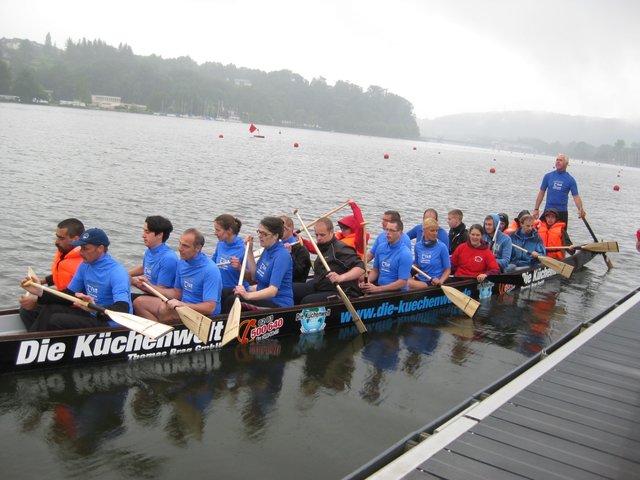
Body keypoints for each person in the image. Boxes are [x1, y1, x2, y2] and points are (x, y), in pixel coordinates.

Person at [21, 228, 132, 331]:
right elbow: (69, 294)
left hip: (110, 322)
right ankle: (32, 342)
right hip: (91, 312)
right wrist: (40, 291)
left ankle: (35, 344)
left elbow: (123, 309)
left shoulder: (117, 272)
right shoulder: (85, 265)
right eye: (80, 248)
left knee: (56, 320)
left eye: (85, 249)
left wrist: (95, 309)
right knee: (50, 309)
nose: (81, 253)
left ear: (100, 249)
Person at [134, 228, 222, 321]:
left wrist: (183, 305)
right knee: (139, 302)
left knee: (165, 310)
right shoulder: (181, 263)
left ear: (198, 248)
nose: (180, 249)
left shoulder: (210, 270)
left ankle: (161, 331)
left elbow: (210, 307)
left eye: (185, 246)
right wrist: (150, 287)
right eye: (180, 243)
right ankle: (156, 331)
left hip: (204, 316)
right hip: (183, 307)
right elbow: (177, 293)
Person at [19, 218, 85, 329]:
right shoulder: (64, 252)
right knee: (26, 310)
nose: (56, 242)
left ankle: (35, 341)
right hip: (62, 299)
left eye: (61, 238)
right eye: (57, 237)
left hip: (75, 305)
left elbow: (74, 295)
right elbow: (62, 274)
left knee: (48, 312)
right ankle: (37, 337)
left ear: (75, 239)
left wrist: (38, 299)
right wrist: (41, 281)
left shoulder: (84, 261)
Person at [293, 217, 365, 304]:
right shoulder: (322, 246)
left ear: (331, 232)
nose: (318, 238)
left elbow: (361, 267)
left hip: (341, 290)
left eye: (322, 235)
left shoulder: (341, 249)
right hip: (321, 285)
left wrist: (341, 277)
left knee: (307, 301)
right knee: (291, 289)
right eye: (316, 235)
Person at [228, 217, 294, 310]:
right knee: (226, 292)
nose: (260, 236)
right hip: (263, 298)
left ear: (275, 236)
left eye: (265, 234)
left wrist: (247, 295)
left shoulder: (282, 256)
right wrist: (249, 250)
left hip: (277, 303)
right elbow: (254, 277)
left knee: (231, 300)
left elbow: (272, 291)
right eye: (259, 232)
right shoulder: (267, 249)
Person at [128, 216, 178, 303]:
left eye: (147, 232)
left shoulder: (168, 258)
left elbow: (161, 293)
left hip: (160, 300)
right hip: (148, 294)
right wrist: (124, 274)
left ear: (160, 235)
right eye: (143, 231)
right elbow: (144, 268)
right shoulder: (150, 250)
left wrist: (134, 283)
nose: (143, 235)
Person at [360, 219, 412, 294]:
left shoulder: (405, 253)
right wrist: (367, 282)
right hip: (381, 287)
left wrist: (378, 289)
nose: (387, 233)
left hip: (396, 292)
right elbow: (375, 271)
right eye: (387, 230)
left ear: (400, 233)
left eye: (392, 230)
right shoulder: (381, 247)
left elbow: (402, 282)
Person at [533, 153, 586, 227]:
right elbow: (541, 193)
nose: (558, 162)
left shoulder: (570, 179)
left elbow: (576, 196)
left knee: (560, 236)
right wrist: (536, 209)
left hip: (561, 212)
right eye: (557, 160)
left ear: (566, 163)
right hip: (548, 211)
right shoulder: (548, 176)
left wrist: (580, 209)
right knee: (540, 232)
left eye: (560, 160)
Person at [211, 214, 250, 301]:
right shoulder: (221, 243)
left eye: (218, 230)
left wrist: (239, 267)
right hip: (220, 289)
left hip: (234, 293)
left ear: (229, 231)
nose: (215, 233)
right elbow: (213, 263)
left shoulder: (243, 249)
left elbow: (251, 278)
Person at [409, 218, 450, 289]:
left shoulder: (442, 247)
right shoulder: (418, 246)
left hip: (433, 282)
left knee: (405, 283)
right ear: (424, 231)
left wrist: (441, 281)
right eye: (432, 231)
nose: (435, 233)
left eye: (436, 231)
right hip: (420, 280)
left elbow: (447, 270)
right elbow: (417, 265)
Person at [280, 215, 311, 283]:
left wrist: (289, 254)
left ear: (290, 228)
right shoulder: (277, 245)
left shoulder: (301, 249)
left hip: (292, 285)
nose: (279, 231)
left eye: (282, 228)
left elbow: (298, 275)